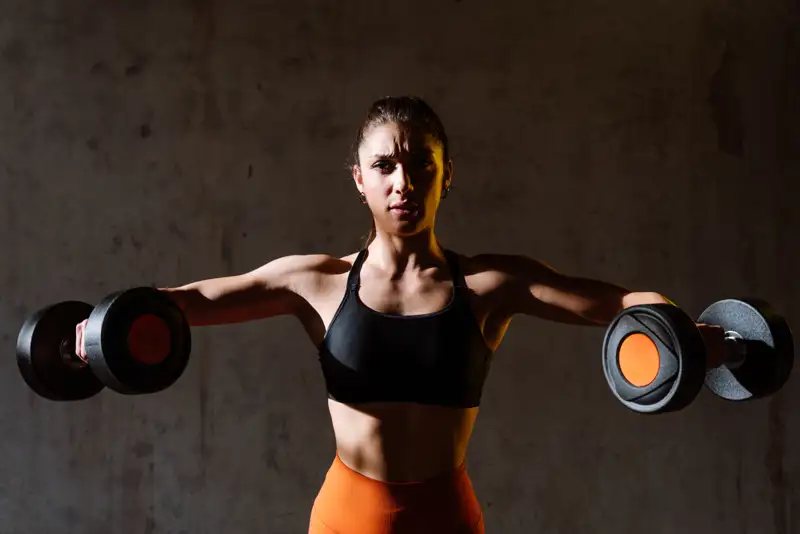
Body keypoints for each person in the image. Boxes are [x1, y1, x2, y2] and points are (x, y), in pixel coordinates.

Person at [75, 96, 725, 533]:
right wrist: (101, 328)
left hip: (447, 515)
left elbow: (612, 305)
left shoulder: (490, 285)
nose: (403, 184)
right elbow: (191, 303)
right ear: (359, 178)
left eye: (420, 165)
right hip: (345, 518)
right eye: (385, 166)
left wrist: (685, 331)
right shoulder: (316, 283)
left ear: (447, 175)